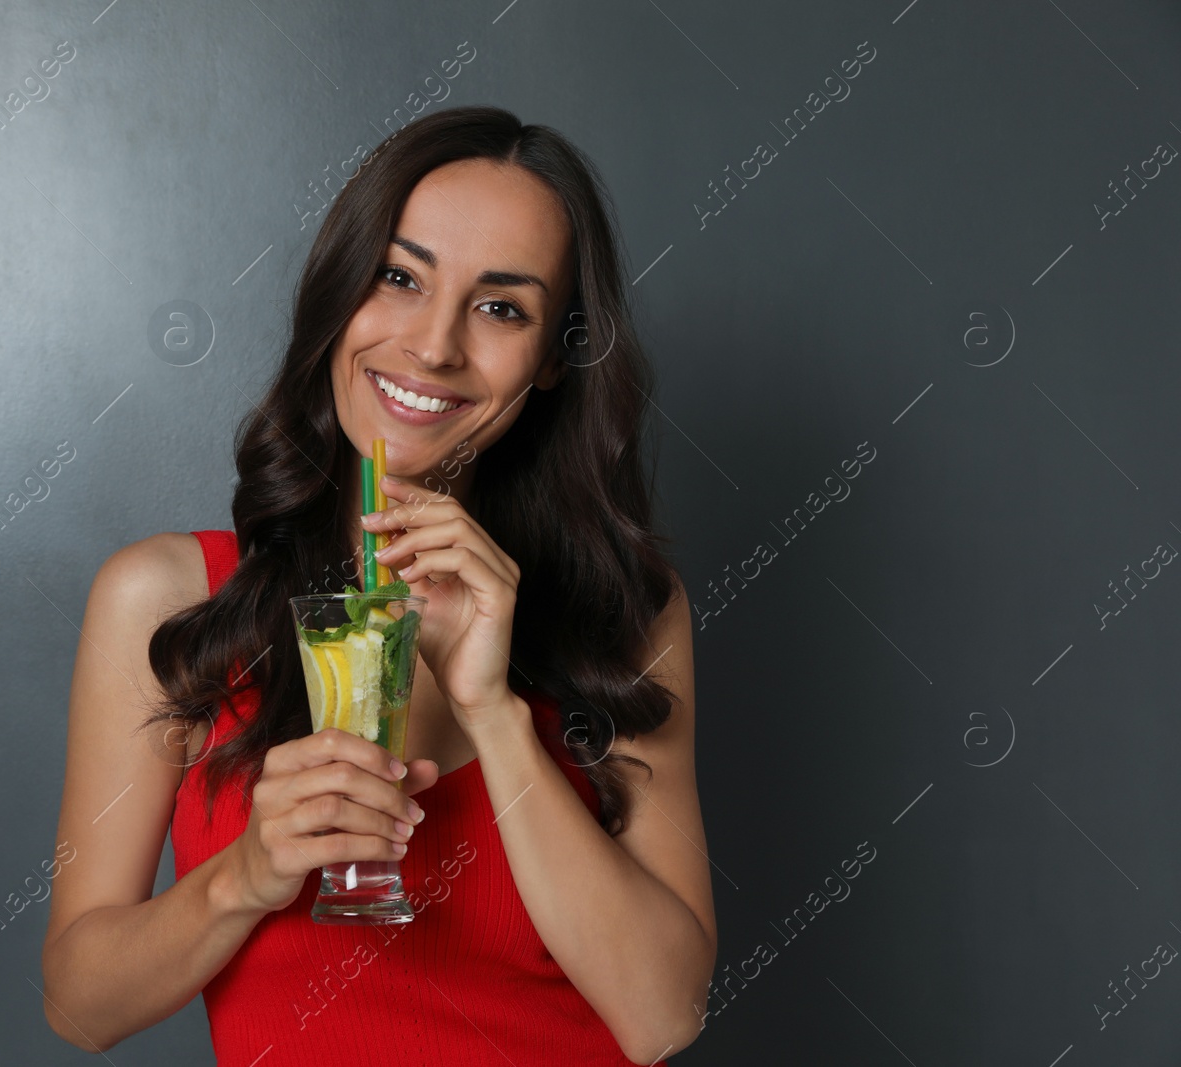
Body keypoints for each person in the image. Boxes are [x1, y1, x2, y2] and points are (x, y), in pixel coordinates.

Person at [40, 105, 716, 1065]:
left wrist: (492, 712)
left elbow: (662, 1017)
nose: (433, 346)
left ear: (556, 358)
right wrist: (245, 876)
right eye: (399, 277)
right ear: (339, 289)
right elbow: (80, 1004)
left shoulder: (628, 612)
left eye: (501, 307)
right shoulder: (170, 601)